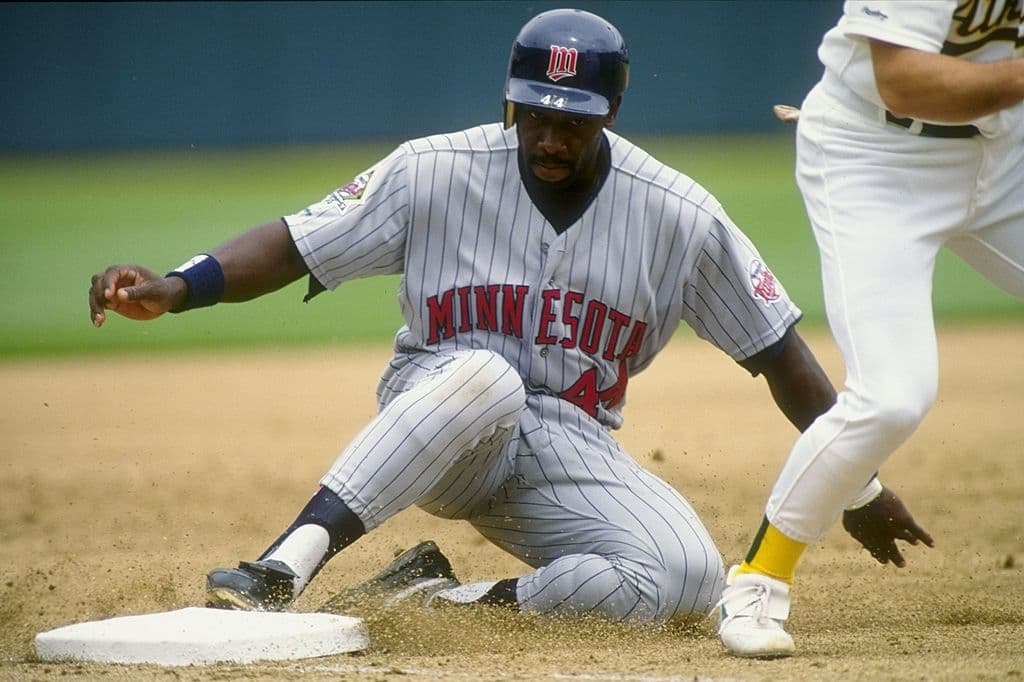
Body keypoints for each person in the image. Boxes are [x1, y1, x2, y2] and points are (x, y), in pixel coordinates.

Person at [88, 8, 923, 627]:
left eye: (573, 119)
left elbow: (779, 353)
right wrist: (176, 285)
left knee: (686, 577)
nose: (550, 136)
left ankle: (434, 600)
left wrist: (859, 483)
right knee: (486, 375)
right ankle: (282, 567)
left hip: (567, 446)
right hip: (440, 417)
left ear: (612, 114)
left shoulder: (679, 216)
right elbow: (296, 243)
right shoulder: (434, 169)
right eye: (534, 113)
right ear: (509, 100)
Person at [716, 0, 1023, 659]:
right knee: (892, 396)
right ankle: (756, 585)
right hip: (877, 157)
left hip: (1005, 151)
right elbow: (905, 80)